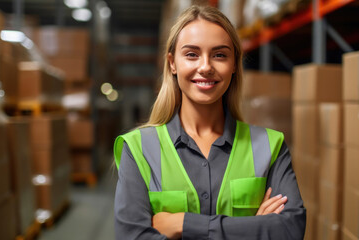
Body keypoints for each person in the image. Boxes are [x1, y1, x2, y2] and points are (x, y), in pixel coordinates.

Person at [114, 5, 306, 240]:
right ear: (172, 63)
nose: (205, 67)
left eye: (219, 55)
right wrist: (252, 228)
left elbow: (290, 230)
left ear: (234, 64)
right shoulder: (138, 149)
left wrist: (182, 223)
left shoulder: (271, 145)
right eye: (192, 54)